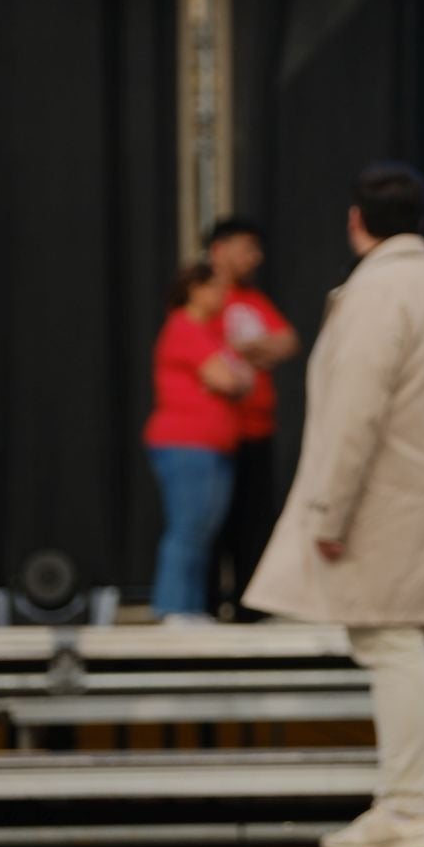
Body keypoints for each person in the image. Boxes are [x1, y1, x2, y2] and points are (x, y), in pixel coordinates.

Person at [243, 165, 424, 847]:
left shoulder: (378, 291)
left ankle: (408, 809)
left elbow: (354, 414)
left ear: (357, 220)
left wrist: (328, 511)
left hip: (385, 496)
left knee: (392, 641)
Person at [143, 260, 254, 623]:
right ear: (196, 289)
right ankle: (172, 607)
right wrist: (230, 379)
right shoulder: (184, 327)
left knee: (203, 529)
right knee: (187, 527)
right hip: (186, 445)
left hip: (215, 445)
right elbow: (229, 380)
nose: (223, 295)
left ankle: (190, 607)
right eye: (216, 288)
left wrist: (232, 377)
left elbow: (243, 379)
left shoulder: (210, 333)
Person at [204, 217, 299, 621]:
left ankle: (250, 605)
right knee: (210, 522)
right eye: (247, 248)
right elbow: (207, 354)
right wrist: (254, 351)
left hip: (257, 431)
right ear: (219, 250)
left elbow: (288, 341)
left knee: (254, 521)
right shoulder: (205, 298)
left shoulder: (254, 300)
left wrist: (245, 348)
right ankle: (205, 605)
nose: (255, 258)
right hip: (216, 434)